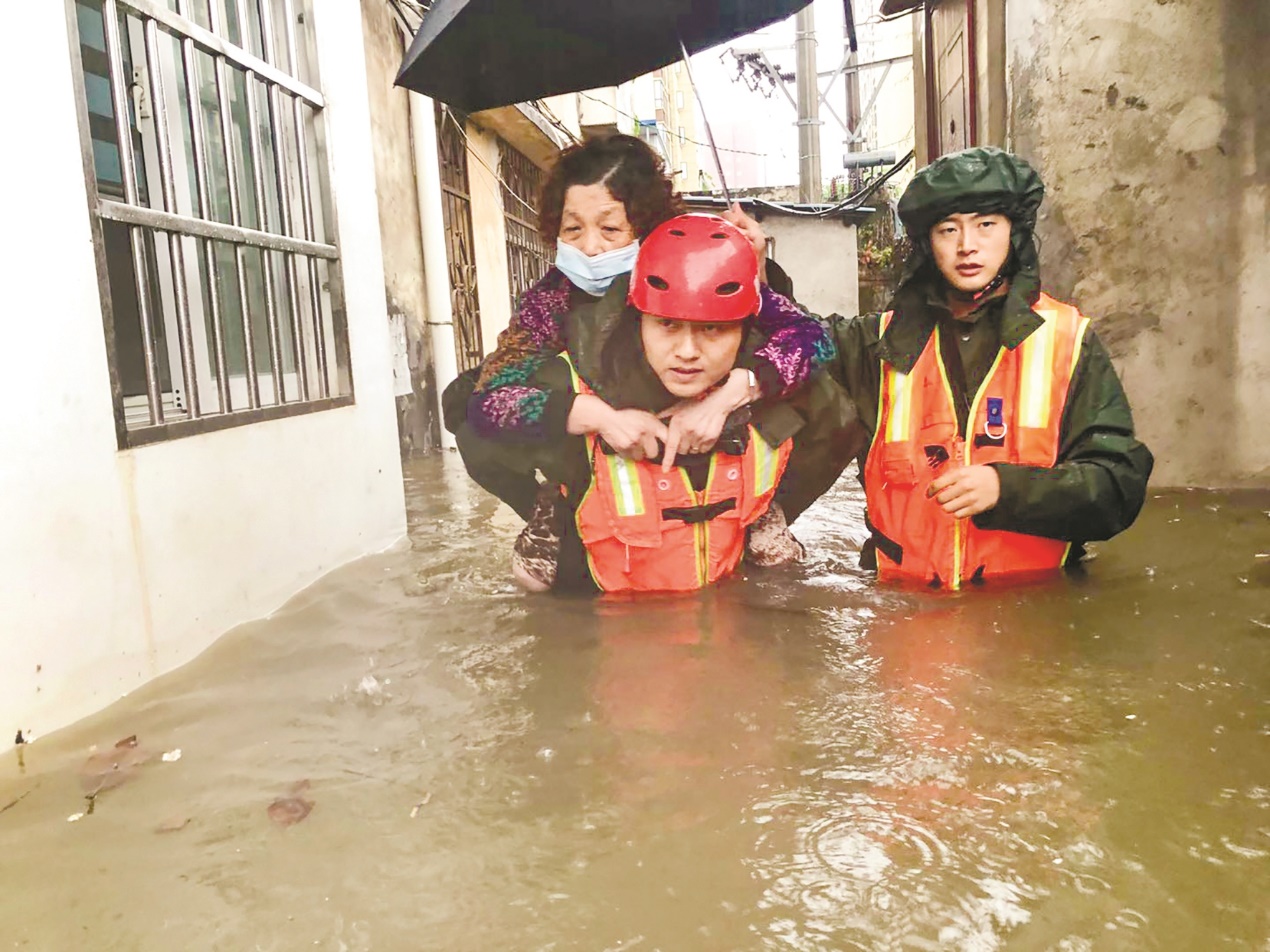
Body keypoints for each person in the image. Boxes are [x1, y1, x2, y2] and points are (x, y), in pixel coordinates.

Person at [442, 135, 833, 544]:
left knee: (817, 389)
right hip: (612, 436)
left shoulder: (694, 267)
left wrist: (730, 394)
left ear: (646, 226)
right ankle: (555, 509)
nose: (591, 247)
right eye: (573, 229)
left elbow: (812, 338)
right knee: (461, 397)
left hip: (716, 429)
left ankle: (762, 509)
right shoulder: (552, 298)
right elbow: (489, 399)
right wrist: (599, 417)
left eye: (610, 229)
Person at [827, 146, 1154, 590]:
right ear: (928, 245)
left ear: (1013, 233)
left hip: (1034, 615)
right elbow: (778, 340)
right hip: (904, 620)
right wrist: (755, 270)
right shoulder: (875, 343)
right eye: (948, 230)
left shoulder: (1070, 340)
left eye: (985, 225)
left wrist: (1006, 489)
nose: (967, 245)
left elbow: (1118, 486)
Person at [509, 214, 804, 594]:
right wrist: (596, 418)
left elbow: (818, 347)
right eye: (667, 325)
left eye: (712, 329)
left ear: (746, 332)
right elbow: (475, 412)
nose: (687, 352)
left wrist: (732, 395)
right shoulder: (569, 379)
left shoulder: (776, 382)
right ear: (638, 321)